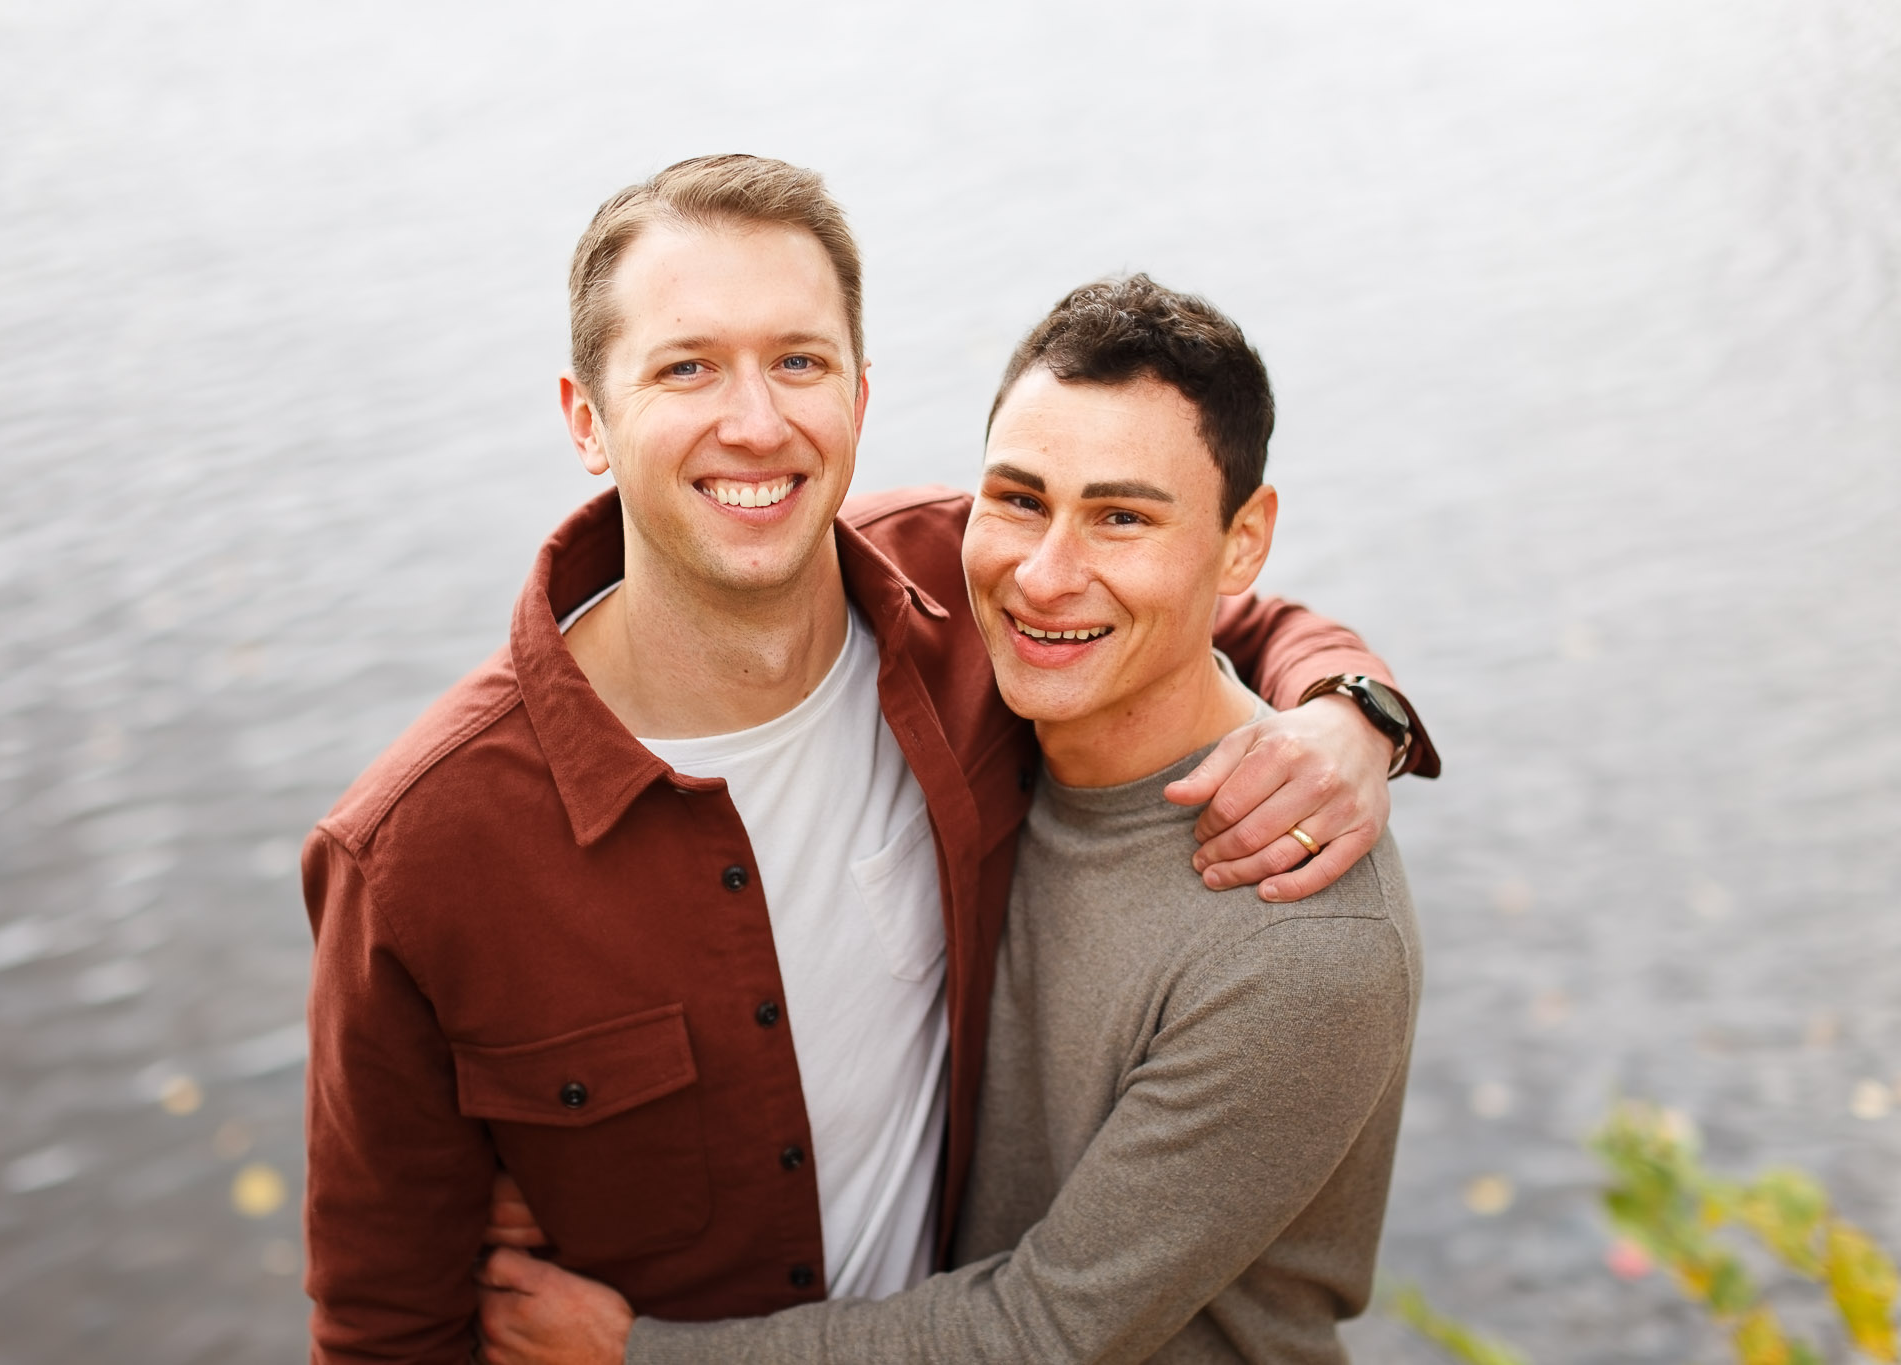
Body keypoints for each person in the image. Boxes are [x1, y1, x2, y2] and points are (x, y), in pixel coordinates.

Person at [300, 157, 1437, 1363]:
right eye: (687, 366)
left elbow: (1184, 601)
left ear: (857, 393)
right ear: (587, 419)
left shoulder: (966, 615)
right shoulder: (420, 851)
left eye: (798, 361)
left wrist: (1351, 708)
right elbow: (385, 1323)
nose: (755, 421)